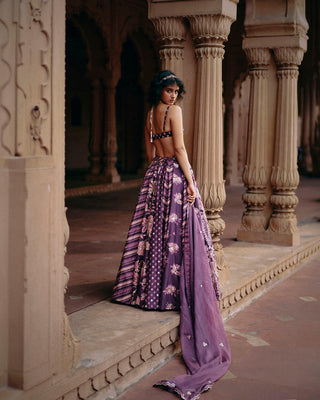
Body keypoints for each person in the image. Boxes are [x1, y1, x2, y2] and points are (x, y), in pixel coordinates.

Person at [112, 70, 231, 400]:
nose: (174, 95)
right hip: (176, 178)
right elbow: (178, 147)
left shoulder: (150, 113)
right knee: (177, 238)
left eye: (177, 91)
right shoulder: (174, 114)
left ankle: (149, 293)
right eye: (169, 90)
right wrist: (191, 183)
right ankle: (170, 295)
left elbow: (150, 150)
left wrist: (154, 174)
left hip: (155, 177)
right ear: (160, 90)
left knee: (153, 237)